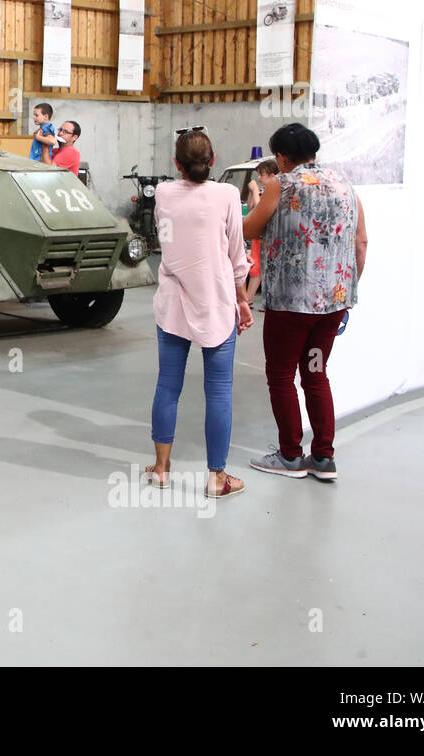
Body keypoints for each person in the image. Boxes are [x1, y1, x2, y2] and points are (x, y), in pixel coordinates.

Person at [243, 123, 368, 482]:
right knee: (315, 374)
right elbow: (361, 242)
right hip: (333, 303)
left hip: (291, 304)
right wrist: (347, 290)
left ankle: (290, 455)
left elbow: (250, 229)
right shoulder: (346, 185)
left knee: (281, 375)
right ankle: (324, 457)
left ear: (282, 158)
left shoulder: (280, 185)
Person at [147, 130, 253, 499]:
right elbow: (237, 256)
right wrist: (242, 300)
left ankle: (161, 468)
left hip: (174, 302)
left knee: (168, 386)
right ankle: (217, 478)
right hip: (216, 302)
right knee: (219, 392)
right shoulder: (227, 195)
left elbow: (167, 239)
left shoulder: (162, 193)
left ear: (176, 163)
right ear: (213, 160)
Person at [243, 159, 278, 307]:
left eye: (262, 174)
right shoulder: (264, 190)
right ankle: (248, 299)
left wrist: (256, 191)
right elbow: (251, 207)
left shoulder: (274, 190)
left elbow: (259, 209)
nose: (259, 178)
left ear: (271, 175)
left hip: (268, 237)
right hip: (259, 236)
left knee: (264, 269)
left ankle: (250, 299)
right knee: (256, 268)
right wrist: (252, 192)